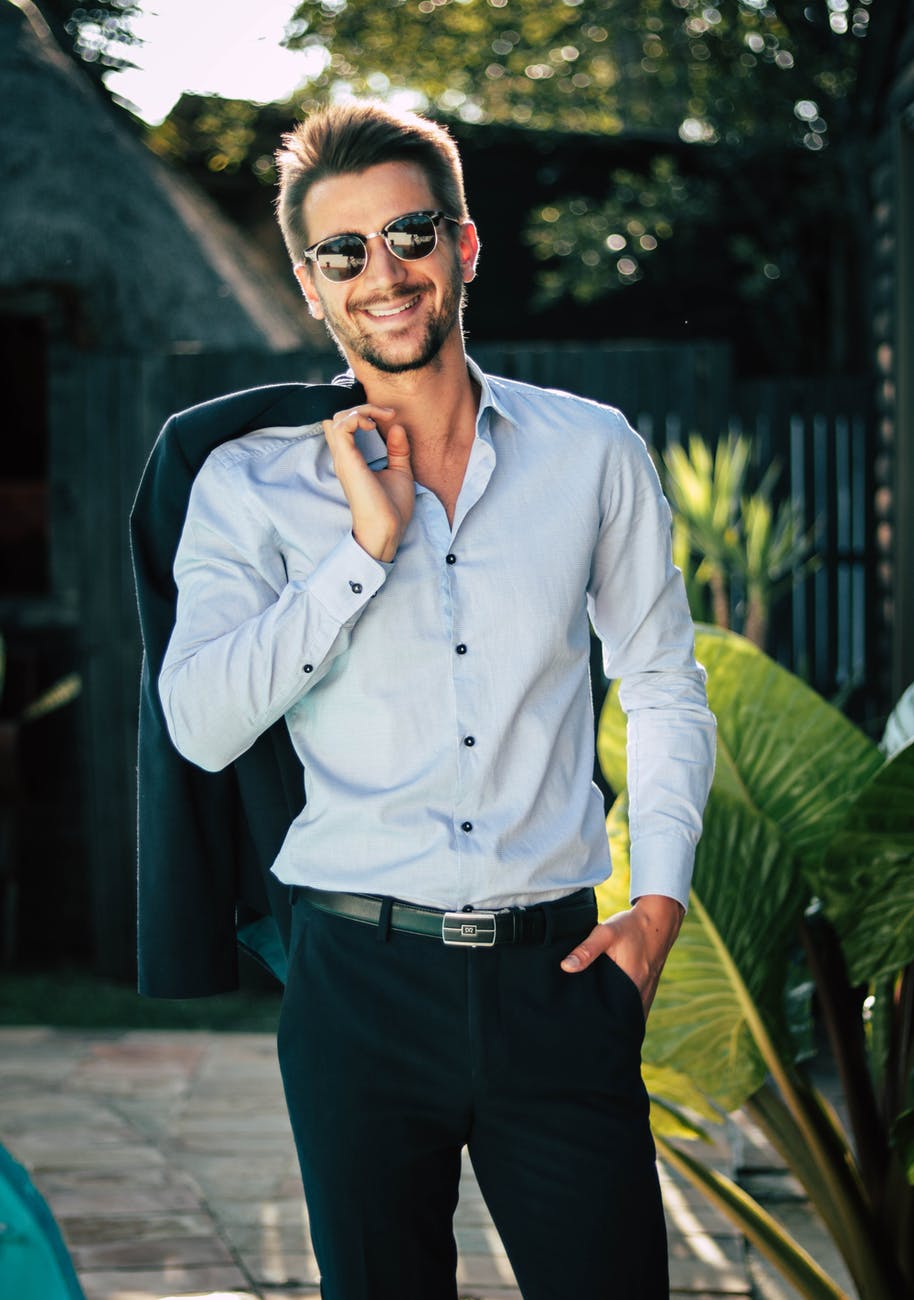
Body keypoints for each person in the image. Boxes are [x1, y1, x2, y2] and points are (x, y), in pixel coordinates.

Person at [157, 100, 716, 1300]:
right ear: (311, 287)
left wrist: (657, 901)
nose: (382, 273)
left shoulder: (591, 452)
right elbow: (200, 723)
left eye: (409, 234)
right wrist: (360, 552)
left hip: (557, 982)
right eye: (342, 252)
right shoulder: (246, 486)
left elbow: (664, 681)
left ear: (462, 248)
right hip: (358, 983)